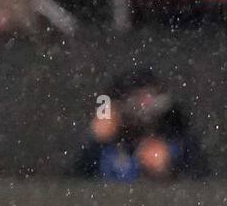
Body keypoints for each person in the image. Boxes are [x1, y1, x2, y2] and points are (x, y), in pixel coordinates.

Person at [72, 69, 207, 181]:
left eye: (149, 99)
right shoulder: (107, 146)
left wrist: (166, 170)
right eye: (135, 99)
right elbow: (74, 182)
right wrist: (96, 140)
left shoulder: (177, 142)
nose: (142, 108)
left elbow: (202, 183)